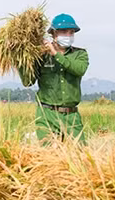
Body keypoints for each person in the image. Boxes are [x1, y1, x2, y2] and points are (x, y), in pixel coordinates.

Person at [18, 13, 89, 143]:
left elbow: (79, 69)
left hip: (71, 115)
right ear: (54, 34)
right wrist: (22, 59)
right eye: (64, 32)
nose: (68, 35)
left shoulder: (80, 54)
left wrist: (55, 54)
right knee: (48, 156)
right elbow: (28, 81)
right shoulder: (41, 55)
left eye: (71, 32)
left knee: (80, 155)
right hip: (47, 115)